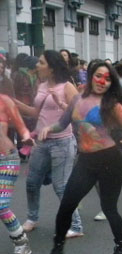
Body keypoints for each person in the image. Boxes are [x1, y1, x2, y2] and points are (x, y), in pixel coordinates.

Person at [41, 60, 122, 254]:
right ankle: (57, 248)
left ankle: (121, 248)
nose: (102, 81)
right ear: (91, 75)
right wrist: (48, 128)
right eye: (98, 76)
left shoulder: (111, 103)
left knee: (109, 207)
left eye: (107, 78)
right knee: (67, 205)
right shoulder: (77, 99)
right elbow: (62, 123)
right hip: (85, 161)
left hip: (110, 160)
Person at [14, 50, 83, 237]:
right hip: (41, 143)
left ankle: (76, 226)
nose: (37, 65)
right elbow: (36, 113)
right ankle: (32, 218)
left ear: (51, 68)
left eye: (41, 63)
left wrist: (61, 103)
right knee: (31, 182)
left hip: (62, 143)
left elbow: (80, 114)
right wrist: (13, 104)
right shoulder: (41, 85)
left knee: (61, 186)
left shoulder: (67, 87)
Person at [0, 94, 34, 254]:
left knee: (1, 205)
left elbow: (22, 128)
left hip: (5, 159)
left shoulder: (4, 101)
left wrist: (27, 137)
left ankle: (21, 242)